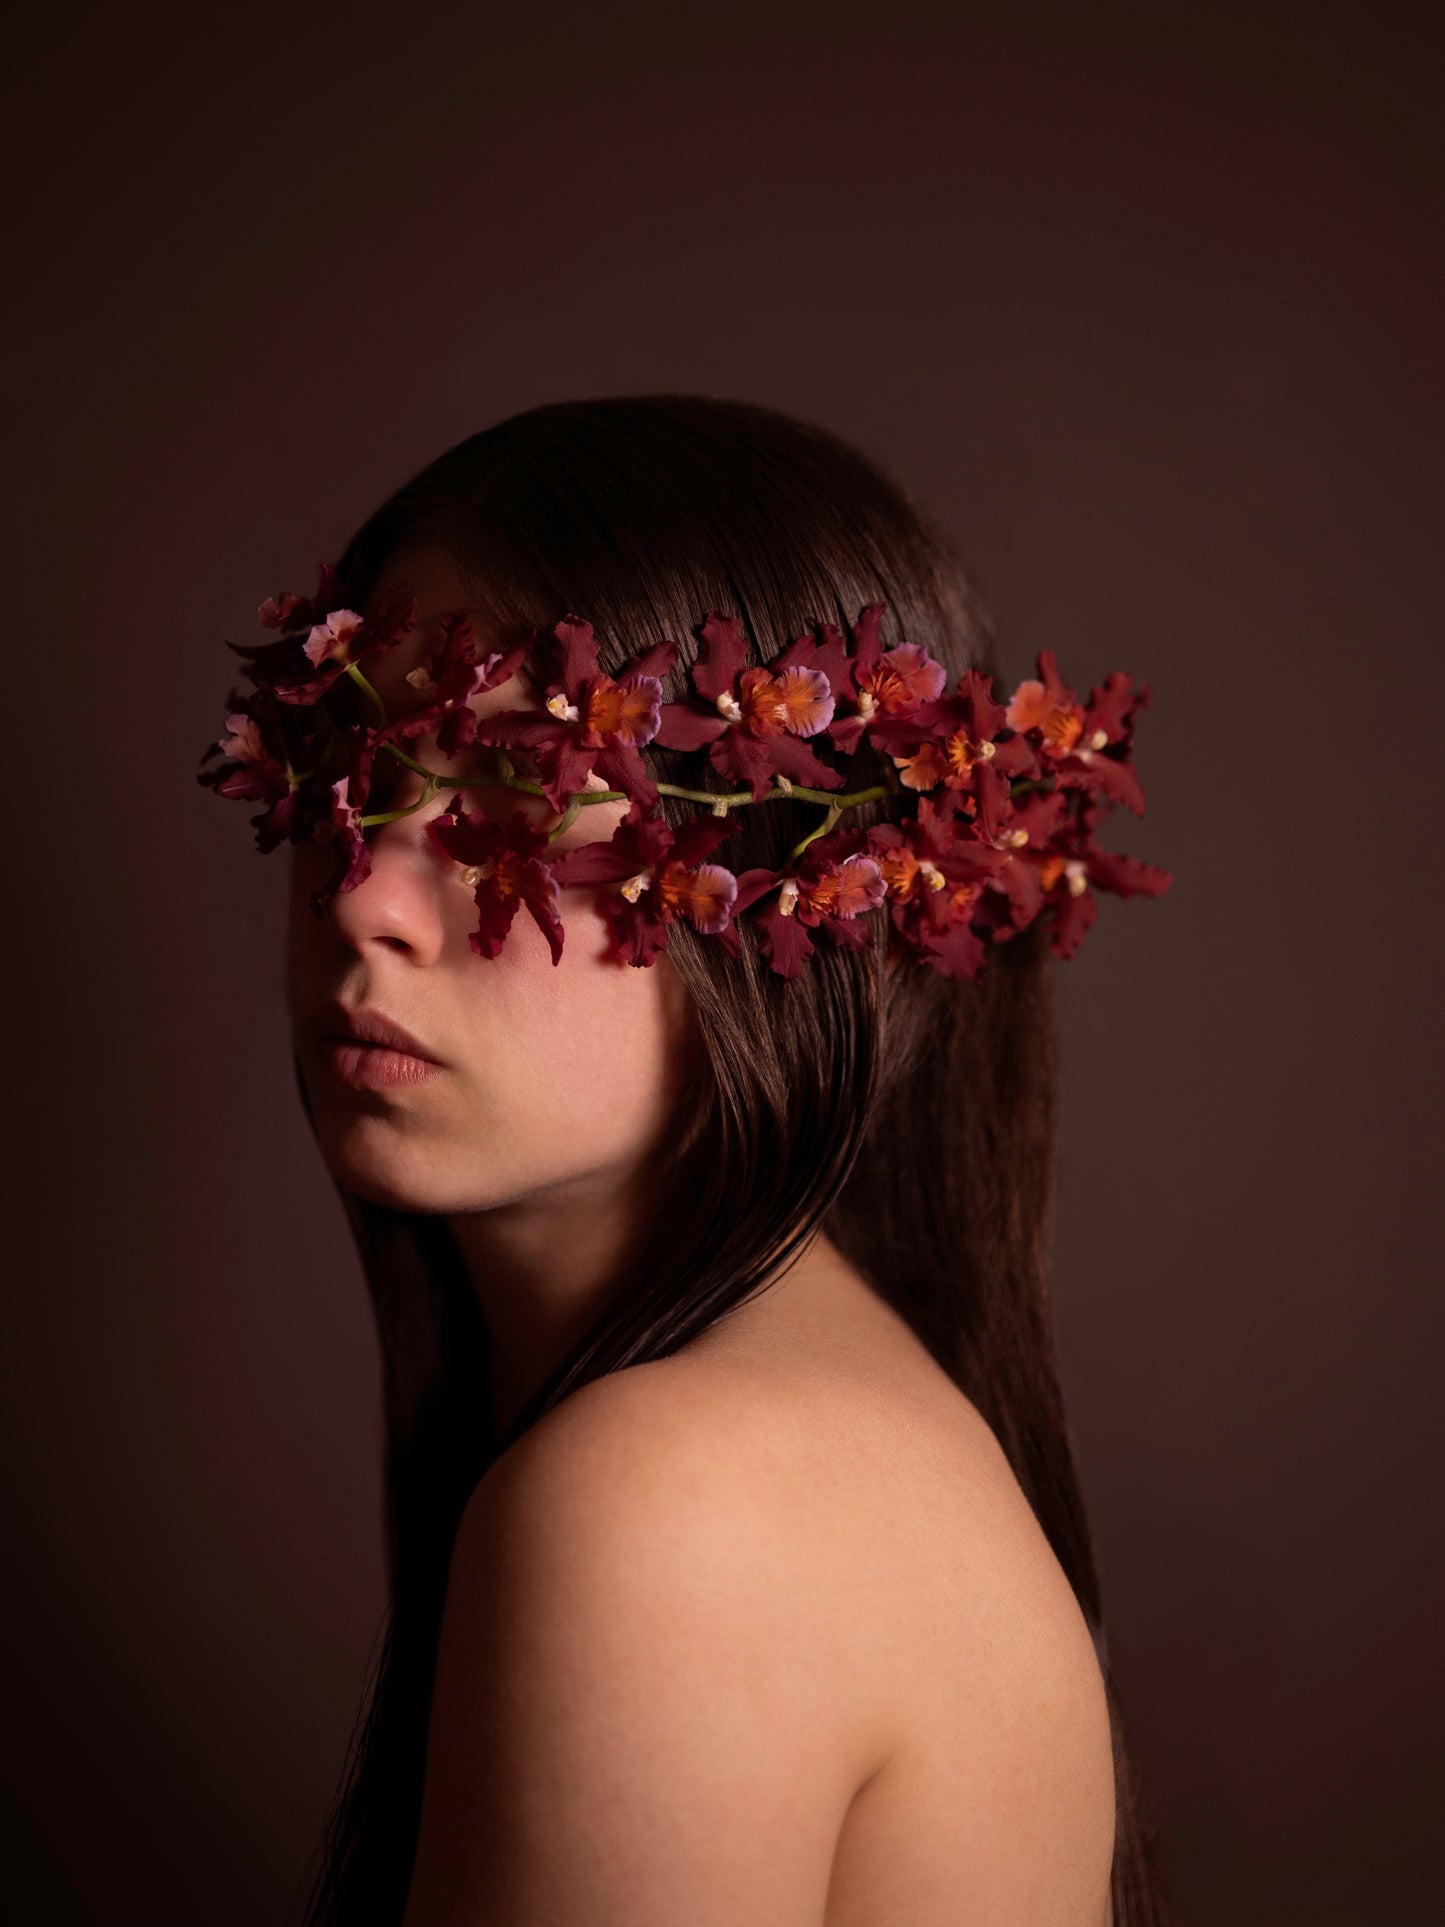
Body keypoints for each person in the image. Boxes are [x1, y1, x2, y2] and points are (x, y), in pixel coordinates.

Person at [249, 395, 1174, 1923]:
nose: (365, 897)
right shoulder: (803, 1423)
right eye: (352, 767)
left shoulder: (670, 1501)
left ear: (801, 896)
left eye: (513, 797)